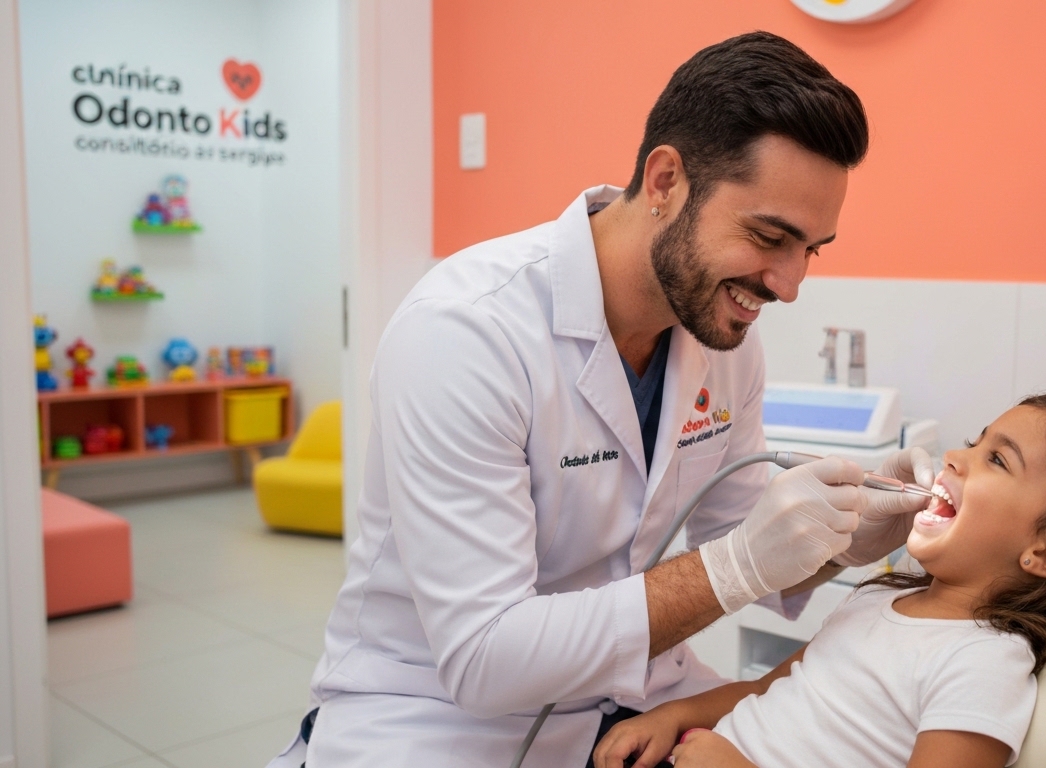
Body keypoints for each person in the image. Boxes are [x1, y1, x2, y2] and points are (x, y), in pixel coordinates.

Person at [268, 32, 934, 768]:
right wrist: (735, 565)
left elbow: (741, 532)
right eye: (769, 236)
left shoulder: (722, 341)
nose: (789, 283)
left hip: (637, 697)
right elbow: (485, 659)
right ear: (665, 180)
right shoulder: (465, 332)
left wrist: (846, 541)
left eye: (811, 249)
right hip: (437, 717)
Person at [593, 393, 1046, 768]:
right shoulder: (880, 598)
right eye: (975, 442)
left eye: (997, 459)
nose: (957, 457)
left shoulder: (983, 663)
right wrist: (674, 714)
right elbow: (769, 689)